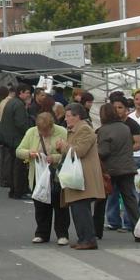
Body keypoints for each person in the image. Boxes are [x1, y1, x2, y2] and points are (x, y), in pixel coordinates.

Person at [54, 103, 104, 250]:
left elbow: (80, 151)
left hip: (83, 176)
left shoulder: (84, 129)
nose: (66, 119)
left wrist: (63, 146)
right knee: (77, 208)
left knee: (81, 208)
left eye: (69, 116)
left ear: (78, 116)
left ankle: (88, 239)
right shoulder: (74, 130)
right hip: (77, 175)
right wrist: (62, 148)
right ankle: (84, 238)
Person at [17, 111, 69, 245]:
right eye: (42, 131)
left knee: (60, 204)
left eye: (47, 131)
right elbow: (19, 151)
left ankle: (62, 234)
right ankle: (41, 233)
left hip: (57, 174)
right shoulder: (31, 132)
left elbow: (69, 152)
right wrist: (30, 153)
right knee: (40, 204)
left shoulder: (62, 132)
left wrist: (55, 157)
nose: (45, 133)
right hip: (38, 175)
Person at [96, 104, 140, 242]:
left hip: (110, 169)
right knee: (130, 200)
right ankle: (138, 231)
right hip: (127, 168)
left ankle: (96, 231)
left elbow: (103, 151)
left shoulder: (103, 130)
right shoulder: (125, 127)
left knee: (101, 200)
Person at [105, 96, 140, 233]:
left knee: (129, 196)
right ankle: (113, 221)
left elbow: (139, 144)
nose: (117, 110)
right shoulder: (108, 125)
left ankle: (132, 224)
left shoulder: (132, 125)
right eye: (114, 108)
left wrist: (124, 149)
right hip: (111, 165)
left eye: (120, 107)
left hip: (126, 165)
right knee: (111, 194)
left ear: (126, 110)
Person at [0, 84, 34, 199]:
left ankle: (14, 190)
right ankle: (19, 191)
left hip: (9, 138)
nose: (29, 95)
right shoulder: (19, 105)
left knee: (14, 166)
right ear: (21, 93)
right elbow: (20, 123)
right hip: (17, 139)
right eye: (27, 92)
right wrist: (30, 132)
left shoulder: (11, 102)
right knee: (19, 167)